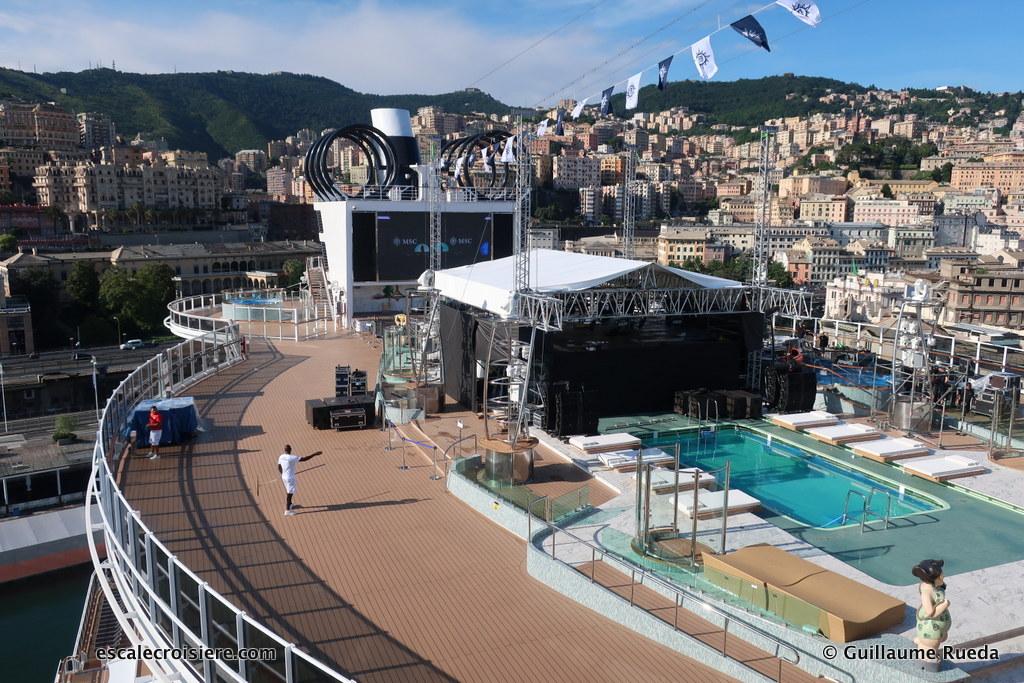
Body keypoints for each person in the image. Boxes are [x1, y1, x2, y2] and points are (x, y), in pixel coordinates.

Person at [912, 559, 951, 671]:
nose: (942, 578)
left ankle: (921, 642)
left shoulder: (934, 587)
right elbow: (930, 613)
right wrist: (945, 605)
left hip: (940, 628)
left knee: (940, 639)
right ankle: (924, 658)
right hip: (931, 629)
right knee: (931, 645)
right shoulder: (927, 593)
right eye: (940, 576)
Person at [277, 445, 323, 515]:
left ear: (284, 450)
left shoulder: (281, 456)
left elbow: (279, 467)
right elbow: (304, 459)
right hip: (290, 478)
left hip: (284, 477)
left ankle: (290, 504)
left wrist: (283, 474)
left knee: (288, 491)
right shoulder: (292, 457)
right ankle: (287, 510)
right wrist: (314, 454)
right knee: (290, 493)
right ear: (290, 449)